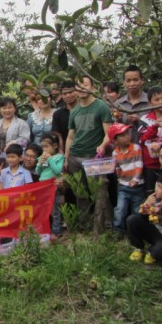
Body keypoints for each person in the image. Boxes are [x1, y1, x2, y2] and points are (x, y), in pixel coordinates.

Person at [64, 75, 112, 224]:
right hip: (75, 157)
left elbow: (109, 133)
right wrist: (66, 157)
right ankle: (85, 225)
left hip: (94, 157)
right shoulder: (74, 111)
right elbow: (70, 137)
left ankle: (108, 225)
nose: (82, 88)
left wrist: (103, 145)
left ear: (92, 87)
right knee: (80, 193)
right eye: (78, 86)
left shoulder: (101, 107)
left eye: (85, 84)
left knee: (99, 192)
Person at [110, 123, 145, 236]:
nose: (127, 136)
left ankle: (137, 232)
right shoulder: (115, 153)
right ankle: (118, 231)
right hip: (123, 186)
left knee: (137, 210)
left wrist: (135, 179)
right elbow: (117, 168)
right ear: (115, 141)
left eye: (127, 134)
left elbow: (139, 165)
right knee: (120, 209)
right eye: (123, 135)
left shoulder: (136, 148)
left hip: (137, 185)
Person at [36, 133, 65, 237]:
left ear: (55, 146)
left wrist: (50, 159)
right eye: (43, 146)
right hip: (43, 186)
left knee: (55, 210)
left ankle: (56, 231)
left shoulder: (59, 157)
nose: (44, 149)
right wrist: (40, 163)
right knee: (43, 210)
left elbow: (57, 170)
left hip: (53, 186)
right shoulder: (42, 158)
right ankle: (44, 230)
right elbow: (38, 172)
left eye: (47, 146)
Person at [0, 96, 30, 166]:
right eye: (4, 108)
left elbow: (25, 140)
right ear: (0, 109)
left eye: (10, 108)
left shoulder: (22, 124)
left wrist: (14, 142)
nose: (7, 110)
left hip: (14, 159)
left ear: (15, 108)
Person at [114, 65, 149, 142]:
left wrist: (139, 121)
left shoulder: (151, 102)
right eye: (128, 80)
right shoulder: (118, 104)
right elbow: (114, 131)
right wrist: (118, 120)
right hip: (125, 150)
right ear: (124, 82)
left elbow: (158, 125)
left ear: (142, 80)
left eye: (135, 80)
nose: (132, 83)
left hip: (146, 147)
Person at [52, 80, 78, 151]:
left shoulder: (85, 111)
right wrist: (61, 152)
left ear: (77, 91)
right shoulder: (58, 114)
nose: (68, 95)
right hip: (67, 151)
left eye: (70, 92)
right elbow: (58, 135)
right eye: (64, 94)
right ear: (61, 95)